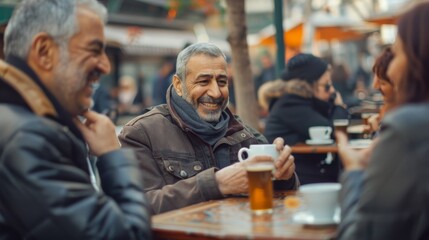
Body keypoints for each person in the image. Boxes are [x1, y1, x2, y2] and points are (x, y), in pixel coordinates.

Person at [0, 0, 151, 239]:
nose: (106, 66)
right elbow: (128, 235)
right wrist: (113, 155)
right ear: (44, 51)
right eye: (94, 49)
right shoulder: (29, 138)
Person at [119, 42, 298, 214]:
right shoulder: (141, 133)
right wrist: (214, 184)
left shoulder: (245, 132)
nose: (216, 92)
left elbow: (284, 197)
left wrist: (285, 177)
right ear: (178, 85)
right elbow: (136, 208)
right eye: (204, 82)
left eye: (222, 82)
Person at [336, 2, 429, 239]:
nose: (392, 70)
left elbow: (361, 235)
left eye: (397, 55)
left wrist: (354, 170)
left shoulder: (409, 129)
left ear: (419, 60)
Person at [263, 53, 349, 185]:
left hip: (303, 170)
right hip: (290, 178)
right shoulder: (290, 103)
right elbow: (330, 130)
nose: (332, 90)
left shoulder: (300, 101)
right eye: (326, 85)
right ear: (309, 85)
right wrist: (339, 107)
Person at [365, 46, 395, 136]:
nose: (375, 86)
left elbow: (386, 148)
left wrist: (375, 132)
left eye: (382, 82)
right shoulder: (390, 110)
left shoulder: (403, 117)